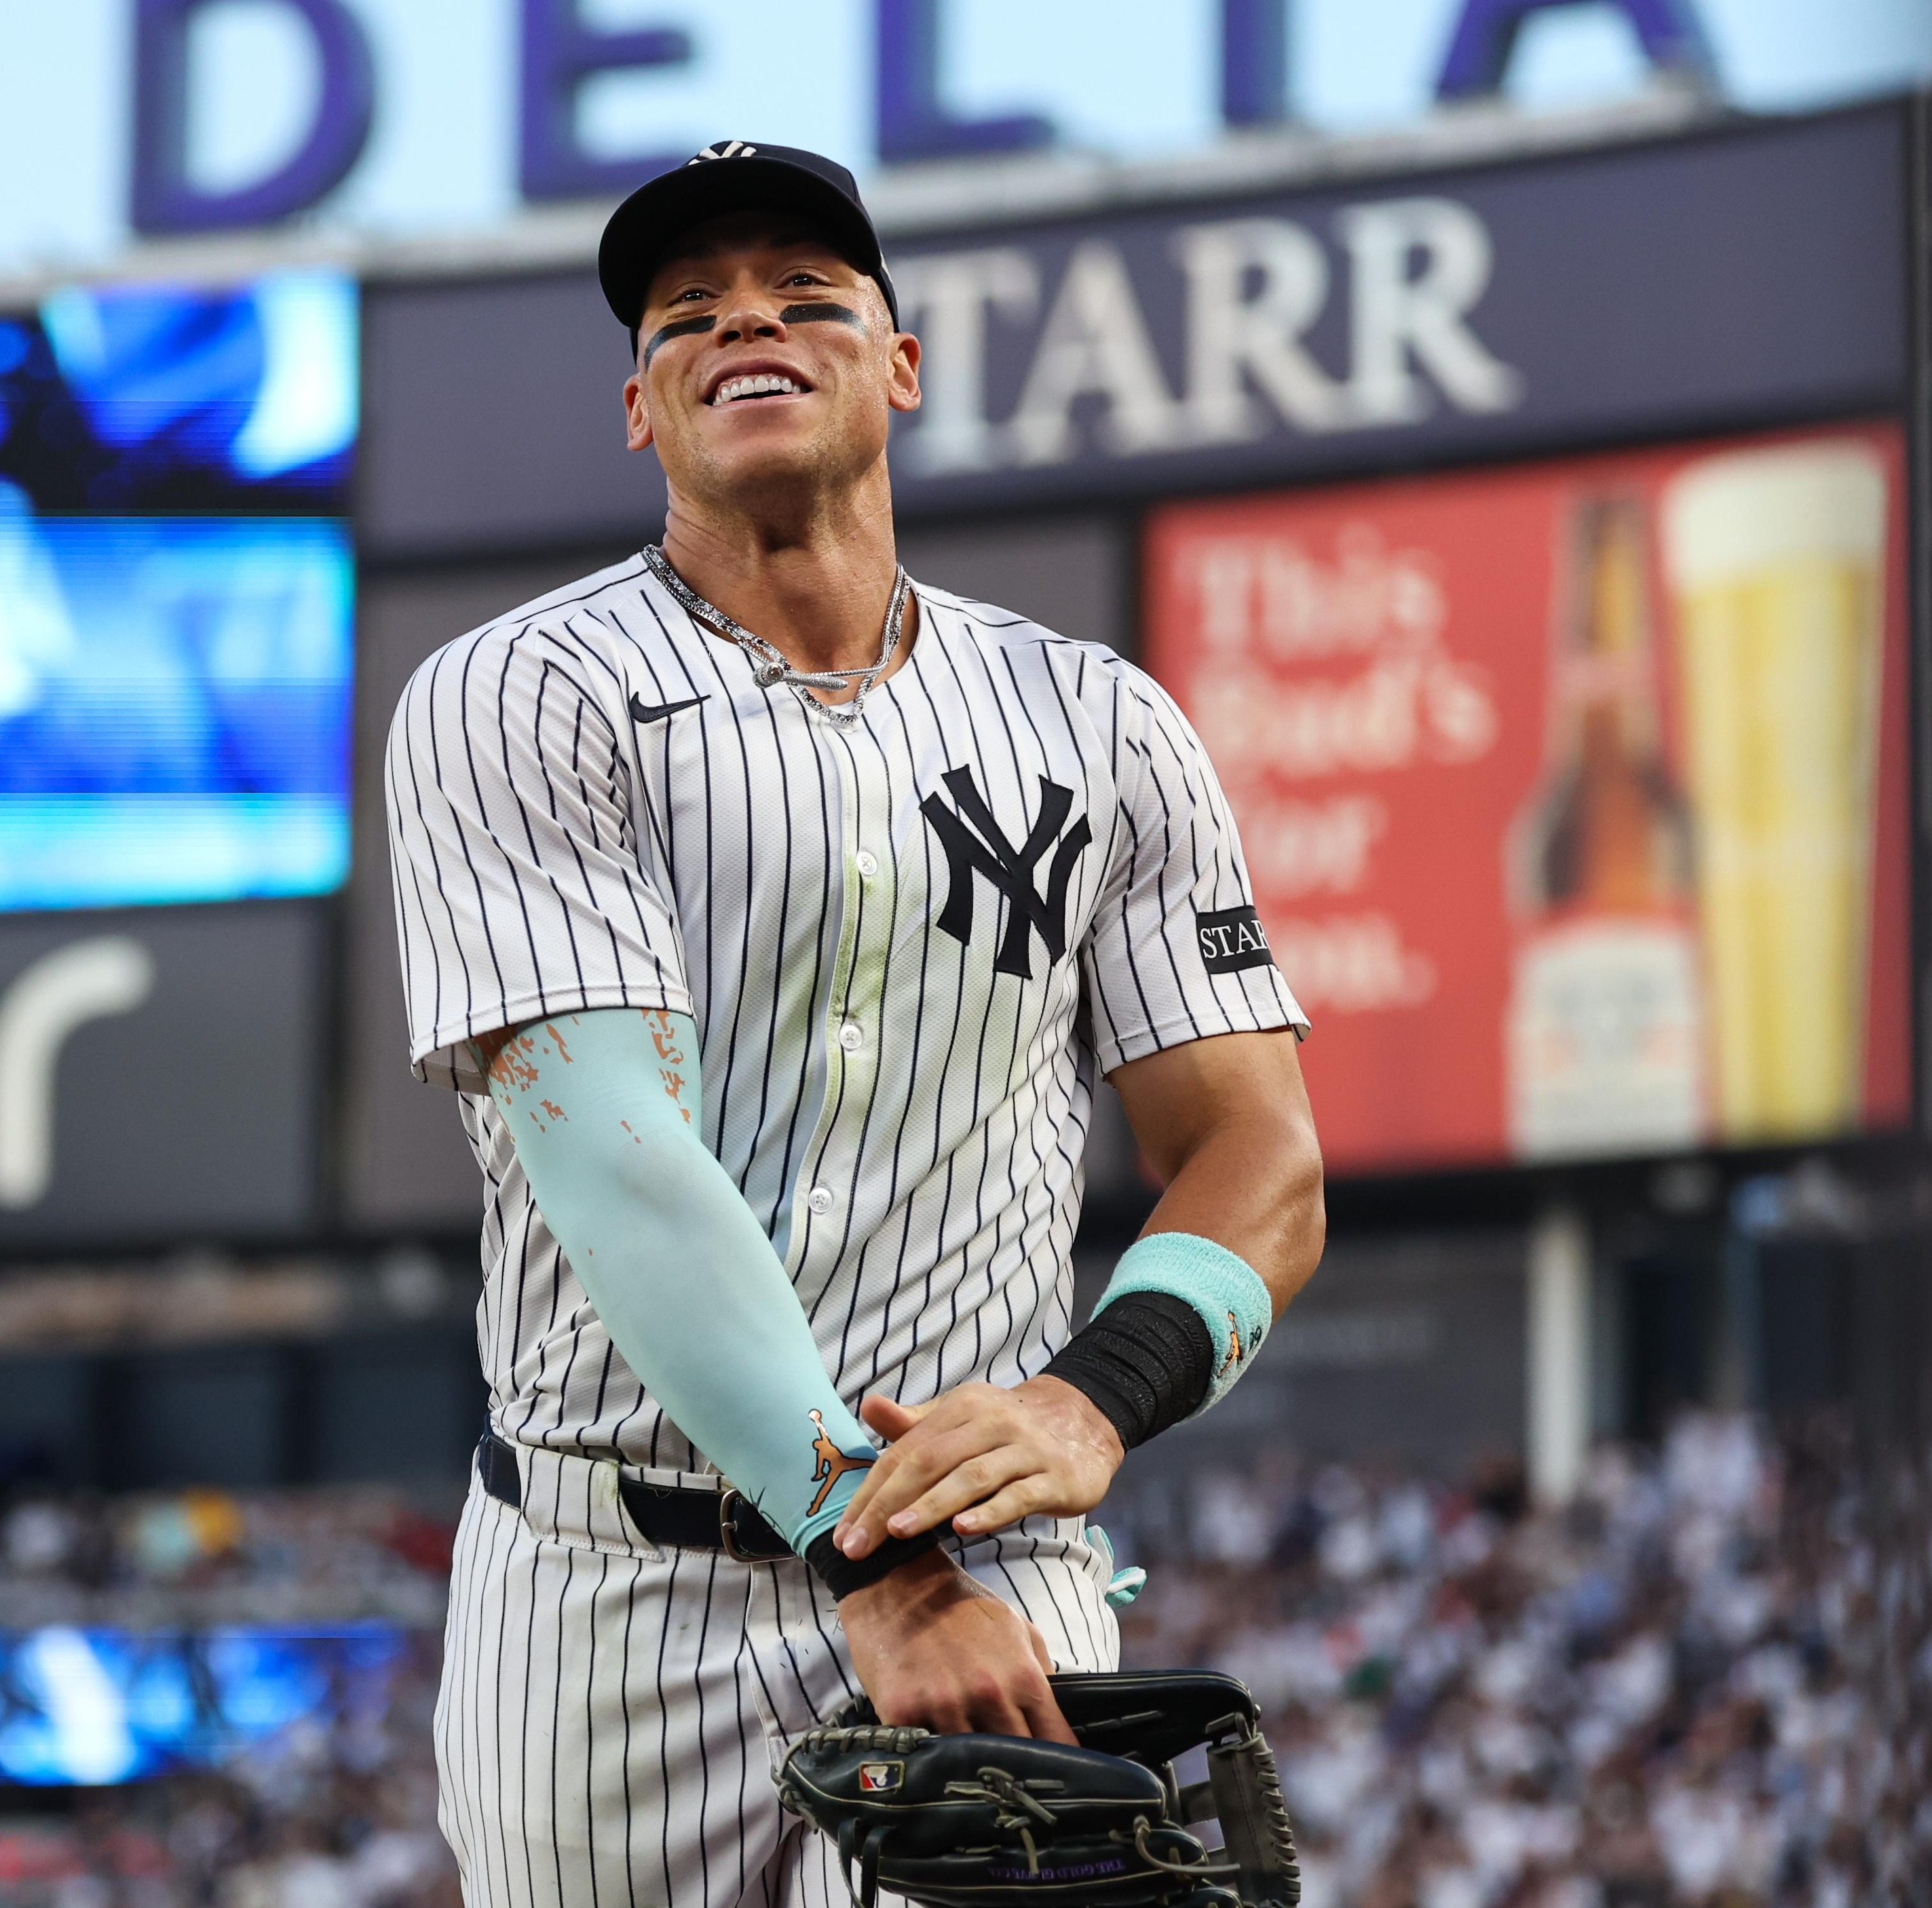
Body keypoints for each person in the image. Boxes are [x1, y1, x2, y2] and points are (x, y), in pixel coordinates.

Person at [383, 142, 1324, 1904]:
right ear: (642, 408)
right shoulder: (518, 691)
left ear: (898, 363)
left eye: (809, 296)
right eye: (691, 315)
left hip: (995, 1572)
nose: (751, 320)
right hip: (608, 1599)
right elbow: (617, 1161)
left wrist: (1090, 1400)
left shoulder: (1100, 720)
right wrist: (871, 1568)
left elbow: (1256, 1151)